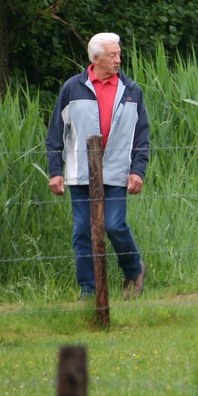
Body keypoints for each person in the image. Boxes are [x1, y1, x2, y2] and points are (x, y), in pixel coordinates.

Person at [46, 32, 150, 300]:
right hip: (81, 173)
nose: (118, 60)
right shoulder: (72, 88)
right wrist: (55, 171)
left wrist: (137, 171)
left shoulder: (131, 90)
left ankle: (133, 269)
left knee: (114, 225)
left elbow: (142, 135)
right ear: (95, 58)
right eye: (112, 55)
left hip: (116, 171)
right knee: (82, 232)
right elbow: (56, 133)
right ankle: (88, 290)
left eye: (119, 54)